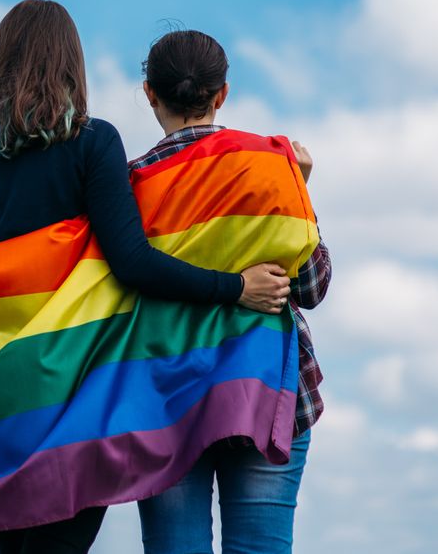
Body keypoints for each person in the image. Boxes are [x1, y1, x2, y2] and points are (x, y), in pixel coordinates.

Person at [0, 0, 292, 554]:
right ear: (72, 64)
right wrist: (234, 287)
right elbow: (133, 264)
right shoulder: (92, 143)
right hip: (71, 387)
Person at [130, 29, 332, 554]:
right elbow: (310, 286)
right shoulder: (270, 164)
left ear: (150, 93)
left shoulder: (130, 185)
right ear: (222, 94)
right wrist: (296, 190)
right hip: (266, 392)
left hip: (166, 397)